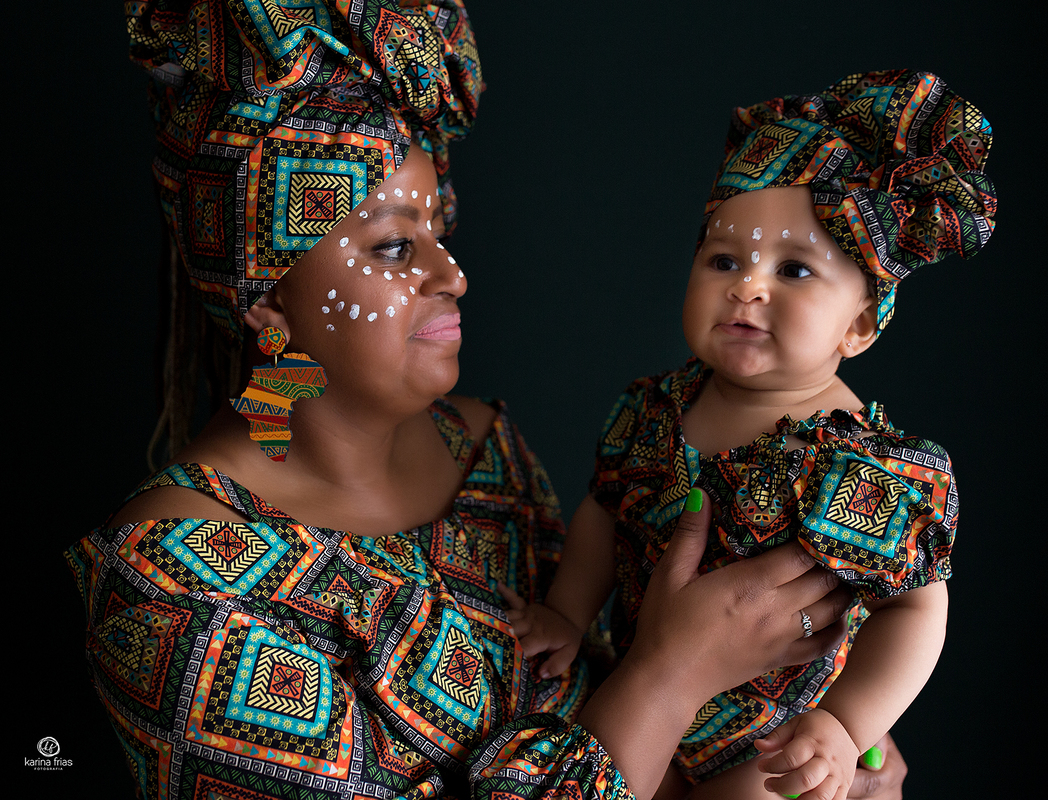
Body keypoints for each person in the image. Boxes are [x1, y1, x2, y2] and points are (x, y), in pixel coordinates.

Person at [65, 4, 909, 797]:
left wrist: (817, 741)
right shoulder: (173, 591)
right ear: (268, 296)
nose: (452, 275)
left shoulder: (478, 450)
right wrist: (675, 672)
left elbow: (636, 718)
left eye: (440, 230)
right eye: (394, 247)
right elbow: (653, 687)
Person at [510, 70, 995, 798]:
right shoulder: (654, 410)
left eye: (793, 269)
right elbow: (604, 515)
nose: (747, 286)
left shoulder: (865, 467)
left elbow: (917, 610)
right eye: (723, 260)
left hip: (774, 742)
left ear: (861, 325)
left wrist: (846, 724)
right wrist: (568, 614)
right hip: (638, 697)